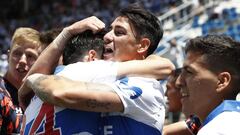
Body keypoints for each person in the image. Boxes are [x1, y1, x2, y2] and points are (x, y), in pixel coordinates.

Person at [19, 3, 175, 135]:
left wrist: (34, 79)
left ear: (142, 45)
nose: (106, 36)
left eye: (119, 32)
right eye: (110, 30)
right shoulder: (95, 73)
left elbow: (59, 93)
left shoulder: (145, 85)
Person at [164, 35, 240, 135]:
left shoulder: (217, 130)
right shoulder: (227, 121)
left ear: (222, 81)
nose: (178, 82)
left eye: (189, 72)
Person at [0, 27, 42, 134]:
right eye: (17, 53)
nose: (23, 60)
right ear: (8, 56)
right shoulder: (1, 94)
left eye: (30, 56)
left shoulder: (41, 97)